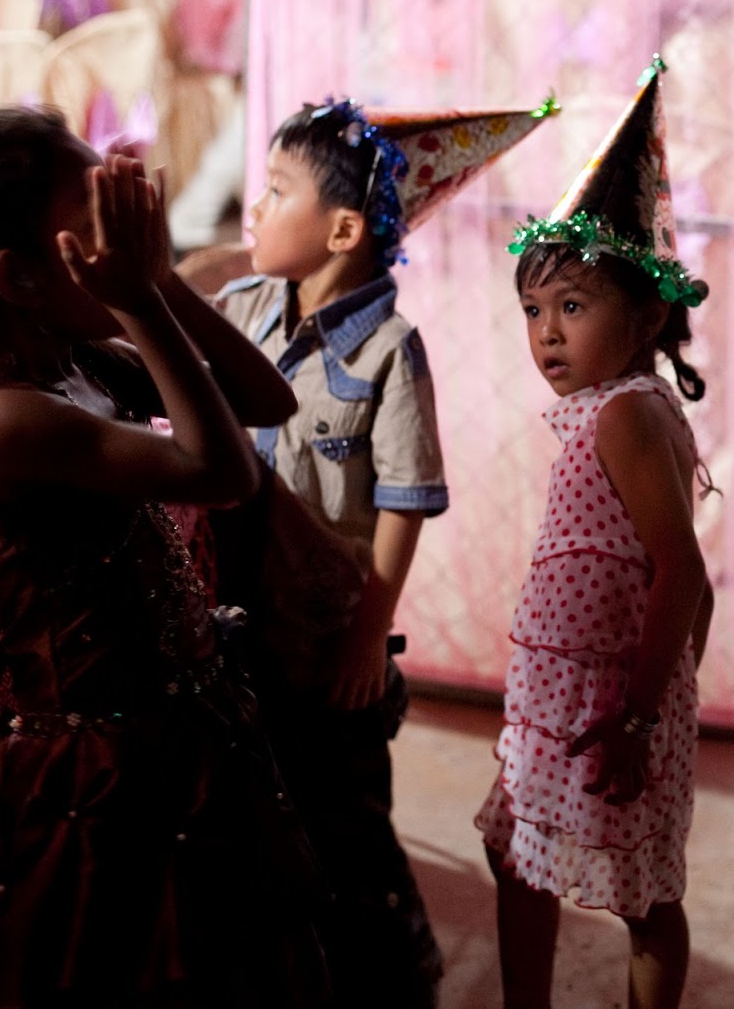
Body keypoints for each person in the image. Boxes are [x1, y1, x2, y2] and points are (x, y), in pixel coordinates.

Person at [0, 107, 330, 1007]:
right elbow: (224, 471)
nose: (123, 245)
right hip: (105, 772)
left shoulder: (77, 359)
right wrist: (138, 295)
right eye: (97, 230)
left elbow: (266, 400)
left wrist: (155, 280)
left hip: (186, 728)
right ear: (19, 277)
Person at [212, 95, 555, 1007]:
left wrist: (369, 635)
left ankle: (393, 981)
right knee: (258, 814)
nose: (254, 208)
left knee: (346, 824)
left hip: (329, 635)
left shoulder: (390, 353)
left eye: (276, 190)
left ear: (342, 230)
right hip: (242, 625)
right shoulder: (242, 310)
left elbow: (404, 504)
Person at [475, 57, 715, 1009]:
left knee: (641, 896)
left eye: (572, 306)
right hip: (565, 701)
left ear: (648, 310)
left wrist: (648, 713)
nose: (546, 332)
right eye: (534, 310)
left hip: (607, 709)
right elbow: (687, 582)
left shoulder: (626, 413)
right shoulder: (613, 408)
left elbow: (682, 571)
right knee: (516, 856)